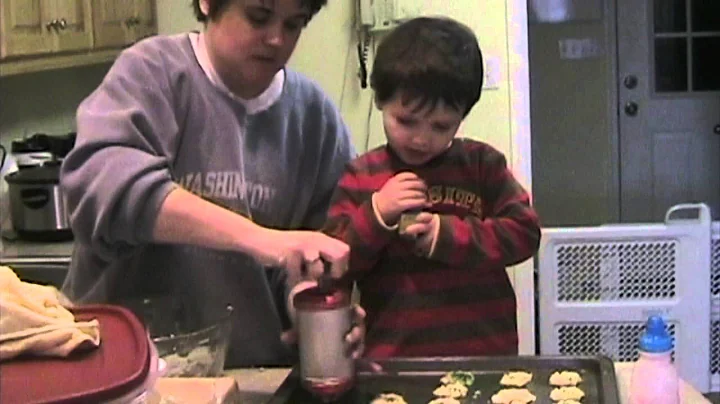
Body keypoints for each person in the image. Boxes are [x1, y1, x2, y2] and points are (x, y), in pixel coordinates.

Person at [60, 0, 365, 368]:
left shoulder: (315, 119)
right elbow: (105, 190)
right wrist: (263, 240)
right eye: (259, 17)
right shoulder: (151, 73)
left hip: (251, 376)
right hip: (124, 373)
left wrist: (309, 308)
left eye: (294, 25)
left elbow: (313, 257)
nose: (276, 39)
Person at [323, 16, 541, 358]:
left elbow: (526, 233)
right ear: (380, 100)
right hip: (394, 360)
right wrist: (377, 215)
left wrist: (447, 236)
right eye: (405, 121)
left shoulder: (482, 166)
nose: (422, 138)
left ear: (463, 116)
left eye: (441, 126)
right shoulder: (362, 176)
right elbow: (333, 264)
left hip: (485, 355)